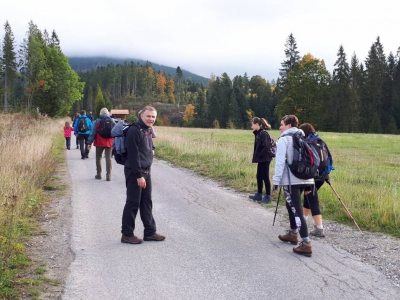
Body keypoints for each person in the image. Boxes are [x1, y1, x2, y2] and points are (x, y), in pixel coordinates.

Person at [121, 106, 165, 244]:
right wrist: (139, 175)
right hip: (135, 172)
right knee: (133, 203)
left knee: (146, 202)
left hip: (146, 171)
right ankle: (127, 234)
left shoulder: (147, 130)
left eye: (153, 117)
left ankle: (150, 232)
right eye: (148, 116)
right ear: (141, 116)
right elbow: (133, 155)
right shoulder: (134, 130)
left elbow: (148, 146)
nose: (151, 119)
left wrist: (152, 149)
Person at [272, 115, 314, 257]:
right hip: (306, 178)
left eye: (282, 124)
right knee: (291, 205)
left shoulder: (284, 140)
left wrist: (276, 182)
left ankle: (306, 243)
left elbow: (279, 163)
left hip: (292, 180)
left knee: (296, 210)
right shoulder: (304, 138)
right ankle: (293, 233)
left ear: (289, 125)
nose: (280, 127)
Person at [299, 123, 333, 238]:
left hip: (313, 176)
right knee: (308, 197)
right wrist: (326, 174)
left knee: (312, 199)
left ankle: (319, 229)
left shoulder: (307, 142)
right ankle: (302, 222)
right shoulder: (320, 141)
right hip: (323, 176)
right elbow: (329, 158)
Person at [249, 117, 273, 204]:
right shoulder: (258, 133)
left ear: (257, 124)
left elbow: (266, 147)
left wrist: (259, 156)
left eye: (252, 124)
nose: (251, 126)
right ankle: (259, 194)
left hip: (265, 159)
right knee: (259, 176)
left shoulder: (263, 134)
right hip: (261, 159)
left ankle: (268, 196)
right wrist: (256, 157)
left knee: (265, 177)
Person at [87, 108, 116, 181]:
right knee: (108, 158)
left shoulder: (97, 121)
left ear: (100, 113)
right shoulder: (112, 121)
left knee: (98, 157)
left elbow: (93, 133)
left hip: (99, 142)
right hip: (109, 142)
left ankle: (99, 174)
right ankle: (108, 176)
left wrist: (89, 143)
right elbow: (116, 132)